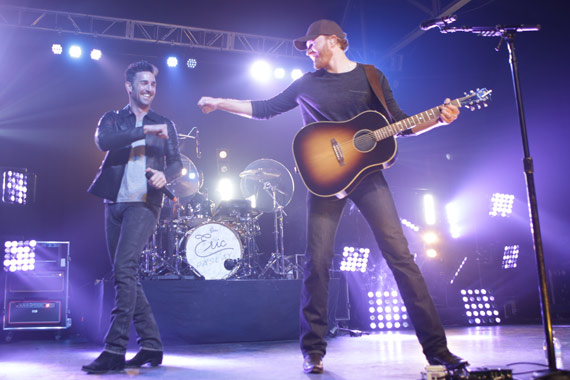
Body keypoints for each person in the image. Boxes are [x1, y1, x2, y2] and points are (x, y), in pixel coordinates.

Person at [198, 19, 467, 375]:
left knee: (401, 257)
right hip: (324, 179)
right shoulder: (306, 83)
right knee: (317, 262)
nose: (307, 49)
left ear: (335, 41)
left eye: (312, 42)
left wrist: (439, 120)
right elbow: (264, 108)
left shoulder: (371, 76)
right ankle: (313, 351)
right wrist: (219, 102)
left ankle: (438, 351)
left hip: (368, 177)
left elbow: (401, 121)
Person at [83, 60, 183, 374]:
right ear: (129, 86)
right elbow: (104, 142)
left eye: (153, 84)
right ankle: (152, 345)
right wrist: (141, 130)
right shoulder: (113, 118)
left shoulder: (164, 123)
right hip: (114, 202)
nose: (149, 89)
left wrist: (165, 176)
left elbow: (177, 163)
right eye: (143, 83)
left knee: (125, 268)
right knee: (125, 275)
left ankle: (114, 349)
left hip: (145, 204)